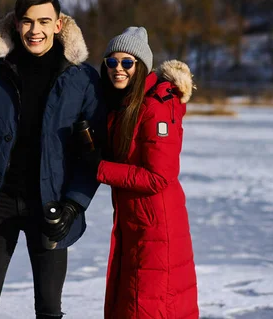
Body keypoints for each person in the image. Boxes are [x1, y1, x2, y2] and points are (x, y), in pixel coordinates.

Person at [0, 0, 103, 319]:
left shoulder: (83, 79)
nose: (35, 31)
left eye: (44, 21)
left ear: (59, 25)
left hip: (51, 204)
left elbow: (93, 154)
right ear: (16, 24)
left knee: (48, 307)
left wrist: (74, 204)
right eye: (28, 22)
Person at [79, 27, 199, 318]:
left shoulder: (157, 106)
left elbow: (159, 177)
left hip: (156, 225)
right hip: (135, 222)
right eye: (111, 62)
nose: (118, 69)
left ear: (141, 65)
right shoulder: (123, 105)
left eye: (127, 63)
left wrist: (99, 167)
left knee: (149, 307)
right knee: (131, 304)